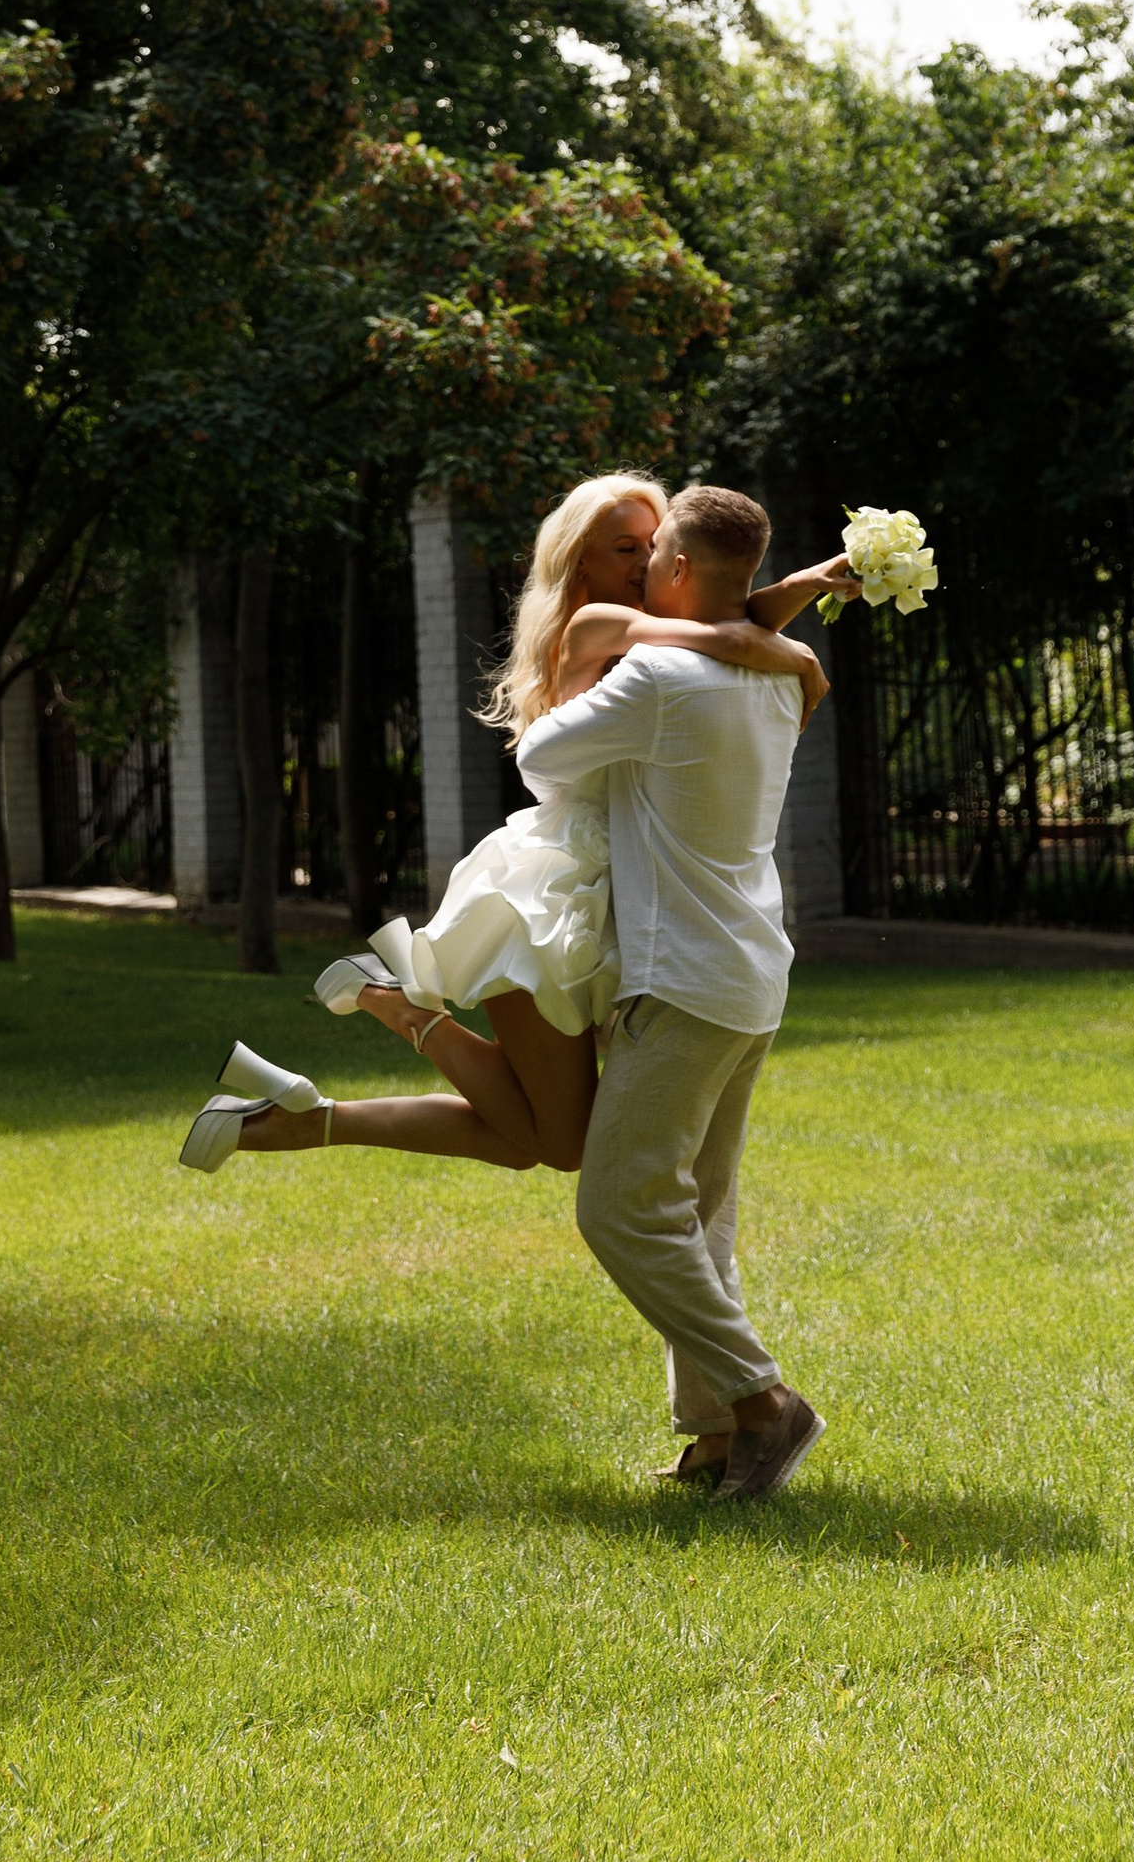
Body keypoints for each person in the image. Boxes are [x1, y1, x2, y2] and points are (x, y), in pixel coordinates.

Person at [177, 471, 841, 1184]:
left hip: (618, 893)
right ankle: (397, 1006)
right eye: (624, 548)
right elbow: (731, 634)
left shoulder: (666, 641)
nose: (644, 562)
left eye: (651, 546)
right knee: (564, 1145)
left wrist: (802, 592)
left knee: (534, 1138)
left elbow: (725, 619)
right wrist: (793, 650)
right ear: (580, 561)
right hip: (552, 898)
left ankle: (308, 1118)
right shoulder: (600, 626)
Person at [517, 482, 827, 1499]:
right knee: (701, 1216)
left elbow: (538, 756)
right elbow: (746, 639)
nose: (642, 568)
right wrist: (757, 631)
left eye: (655, 557)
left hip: (683, 982)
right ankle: (713, 1443)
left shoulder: (654, 675)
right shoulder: (782, 679)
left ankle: (761, 1403)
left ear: (681, 571)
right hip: (752, 976)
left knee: (618, 1212)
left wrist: (592, 648)